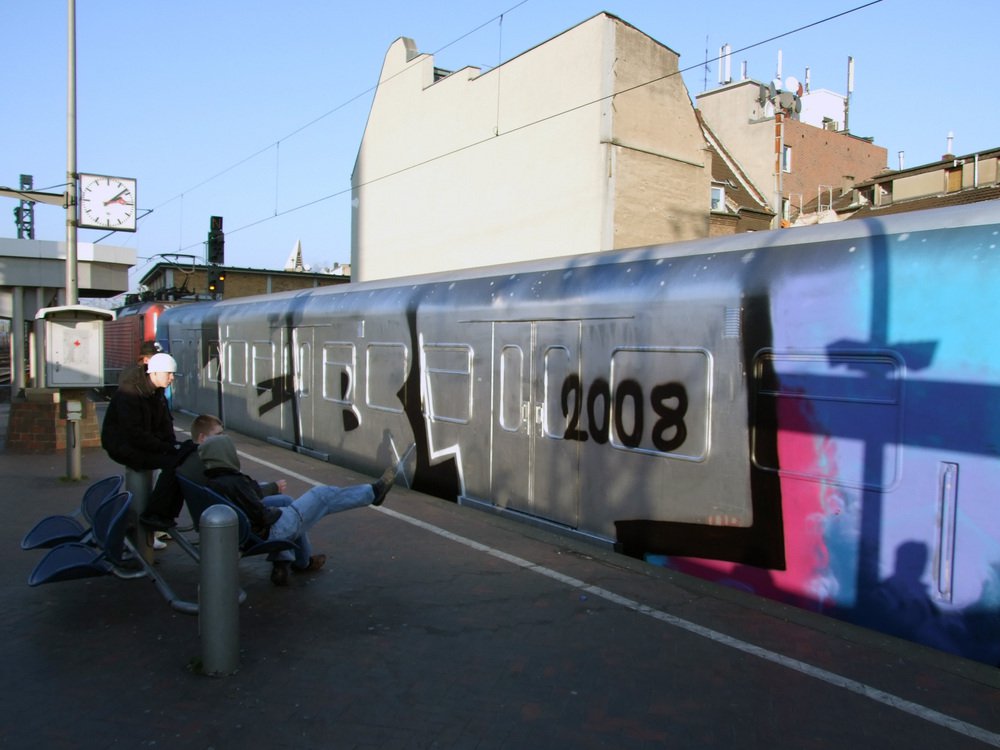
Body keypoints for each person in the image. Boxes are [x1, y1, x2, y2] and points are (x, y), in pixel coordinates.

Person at [198, 433, 410, 586]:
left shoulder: (213, 481)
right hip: (270, 531)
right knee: (321, 495)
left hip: (246, 533)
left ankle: (293, 562)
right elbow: (262, 515)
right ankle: (374, 493)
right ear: (226, 455)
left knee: (287, 501)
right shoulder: (235, 481)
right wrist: (281, 514)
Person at [141, 414, 288, 530]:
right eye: (218, 435)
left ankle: (284, 561)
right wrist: (274, 487)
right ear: (203, 438)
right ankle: (292, 560)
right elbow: (239, 490)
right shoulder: (210, 463)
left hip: (216, 508)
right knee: (284, 500)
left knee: (263, 487)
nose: (224, 438)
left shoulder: (187, 457)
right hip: (231, 515)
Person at [101, 351, 180, 550]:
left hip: (137, 443)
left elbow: (164, 422)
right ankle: (154, 516)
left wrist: (172, 445)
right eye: (169, 373)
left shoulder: (155, 391)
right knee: (172, 465)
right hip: (125, 446)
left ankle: (157, 516)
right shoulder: (130, 393)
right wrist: (165, 448)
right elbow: (134, 432)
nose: (172, 378)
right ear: (154, 373)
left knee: (176, 460)